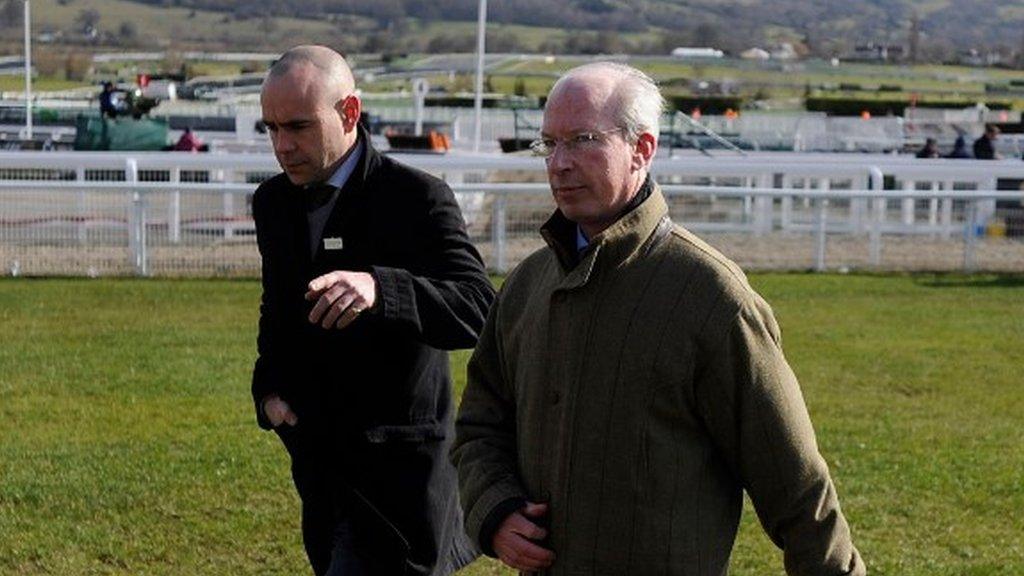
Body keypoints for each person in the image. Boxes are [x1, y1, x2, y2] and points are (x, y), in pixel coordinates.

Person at [452, 62, 864, 576]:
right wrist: (494, 510)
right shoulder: (527, 284)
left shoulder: (712, 295)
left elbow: (796, 485)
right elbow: (478, 426)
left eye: (582, 140)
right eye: (548, 143)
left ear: (642, 149)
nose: (558, 163)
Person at [252, 45, 493, 576]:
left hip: (399, 482)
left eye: (297, 126)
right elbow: (277, 311)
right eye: (269, 129)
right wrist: (269, 390)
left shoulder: (416, 198)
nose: (282, 146)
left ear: (350, 113)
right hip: (319, 470)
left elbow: (478, 307)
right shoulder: (272, 202)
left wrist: (381, 289)